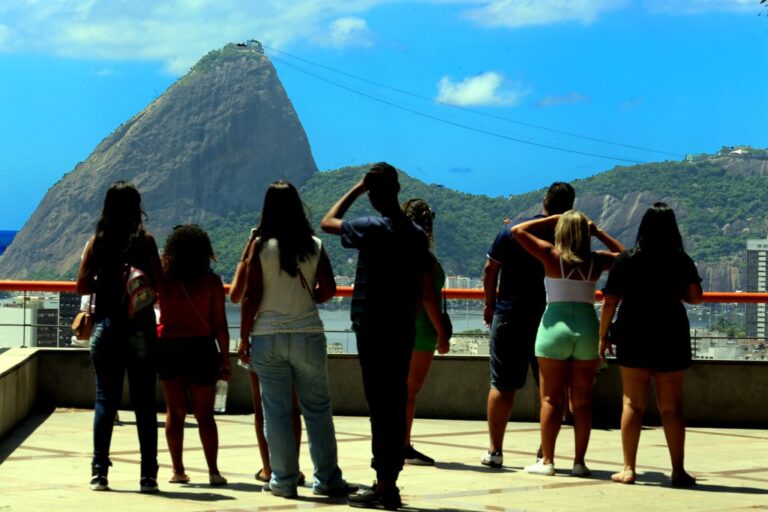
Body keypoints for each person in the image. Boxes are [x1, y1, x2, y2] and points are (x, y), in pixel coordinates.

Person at [321, 163, 430, 510]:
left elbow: (328, 222)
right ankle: (388, 482)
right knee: (394, 405)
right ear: (397, 189)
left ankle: (385, 487)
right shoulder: (417, 235)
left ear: (372, 194)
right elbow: (418, 288)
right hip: (402, 329)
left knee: (380, 408)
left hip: (372, 328)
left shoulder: (372, 227)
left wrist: (356, 189)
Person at [239, 180, 354, 499]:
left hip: (268, 337)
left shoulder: (260, 247)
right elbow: (329, 289)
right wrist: (307, 299)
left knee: (275, 412)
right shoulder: (314, 245)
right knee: (317, 410)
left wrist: (244, 338)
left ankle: (283, 481)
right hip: (308, 334)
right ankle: (327, 479)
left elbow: (250, 296)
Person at [511, 210, 623, 476]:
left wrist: (550, 220)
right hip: (587, 330)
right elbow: (627, 257)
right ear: (586, 234)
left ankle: (547, 461)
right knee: (582, 403)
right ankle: (579, 463)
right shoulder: (597, 261)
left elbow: (517, 231)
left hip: (554, 329)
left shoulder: (551, 255)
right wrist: (599, 233)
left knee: (551, 399)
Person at [599, 202, 702, 487]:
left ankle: (628, 468)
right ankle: (678, 470)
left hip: (633, 333)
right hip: (671, 334)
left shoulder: (625, 260)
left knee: (632, 403)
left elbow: (609, 301)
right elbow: (696, 298)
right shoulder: (681, 260)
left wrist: (602, 335)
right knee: (672, 407)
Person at [76, 181, 163, 493]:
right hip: (140, 330)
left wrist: (106, 282)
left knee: (105, 400)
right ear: (136, 207)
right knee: (144, 404)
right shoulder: (146, 243)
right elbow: (160, 285)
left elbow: (82, 285)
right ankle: (148, 475)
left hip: (107, 327)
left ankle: (99, 471)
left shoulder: (97, 242)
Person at [481, 182, 575, 468]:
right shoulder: (569, 236)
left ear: (544, 201)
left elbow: (490, 269)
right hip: (551, 317)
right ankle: (544, 453)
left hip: (509, 314)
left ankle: (495, 451)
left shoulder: (513, 230)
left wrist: (489, 304)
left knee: (502, 385)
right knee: (551, 390)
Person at [156, 224, 229, 486]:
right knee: (205, 414)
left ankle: (178, 470)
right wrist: (225, 359)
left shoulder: (164, 280)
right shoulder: (211, 282)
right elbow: (220, 324)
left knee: (174, 412)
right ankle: (213, 472)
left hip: (169, 347)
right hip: (201, 348)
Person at [230, 230, 304, 486]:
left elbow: (237, 295)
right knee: (292, 407)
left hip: (260, 336)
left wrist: (248, 247)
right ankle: (293, 467)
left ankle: (269, 468)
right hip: (296, 333)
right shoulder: (301, 249)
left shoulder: (257, 252)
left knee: (261, 407)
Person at [401, 199, 451, 466]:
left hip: (395, 327)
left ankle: (393, 443)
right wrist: (442, 333)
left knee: (397, 390)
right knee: (409, 392)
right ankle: (404, 445)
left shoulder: (393, 253)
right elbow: (428, 298)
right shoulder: (423, 257)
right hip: (420, 330)